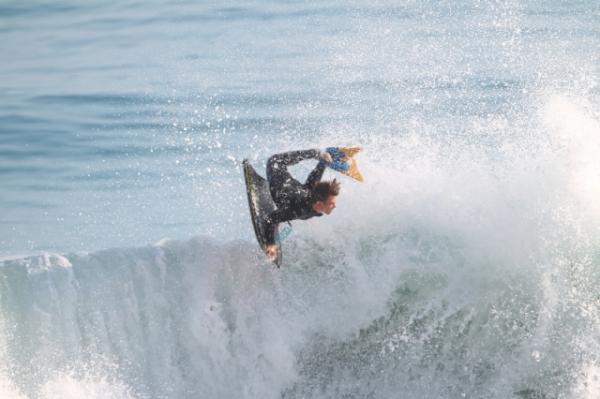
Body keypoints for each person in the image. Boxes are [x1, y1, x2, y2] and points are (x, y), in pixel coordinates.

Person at [264, 149, 340, 259]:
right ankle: (315, 153)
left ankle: (322, 157)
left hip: (290, 187)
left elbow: (314, 178)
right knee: (274, 160)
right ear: (319, 204)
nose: (335, 206)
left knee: (306, 188)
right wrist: (270, 244)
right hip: (276, 165)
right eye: (331, 204)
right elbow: (269, 219)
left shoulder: (313, 195)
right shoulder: (298, 210)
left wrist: (323, 163)